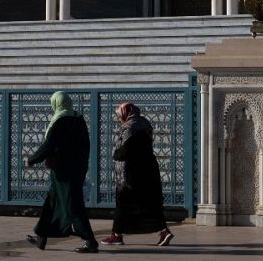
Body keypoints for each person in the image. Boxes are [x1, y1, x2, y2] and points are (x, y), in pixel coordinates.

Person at [25, 91, 98, 253]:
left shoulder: (60, 121)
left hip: (64, 172)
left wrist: (33, 159)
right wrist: (82, 164)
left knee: (73, 204)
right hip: (76, 168)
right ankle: (41, 238)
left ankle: (90, 241)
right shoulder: (78, 119)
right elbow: (85, 145)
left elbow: (50, 144)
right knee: (52, 202)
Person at [101, 102, 174, 247]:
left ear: (126, 113)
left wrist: (116, 154)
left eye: (120, 115)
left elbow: (125, 151)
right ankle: (162, 231)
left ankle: (117, 235)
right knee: (147, 204)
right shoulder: (144, 124)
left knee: (124, 203)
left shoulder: (130, 128)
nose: (119, 118)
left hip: (132, 173)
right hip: (147, 170)